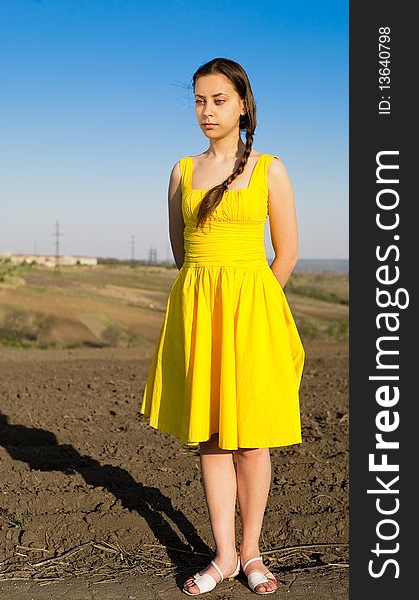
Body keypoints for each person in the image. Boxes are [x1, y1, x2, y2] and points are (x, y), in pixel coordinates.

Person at [140, 57, 305, 596]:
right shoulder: (181, 172)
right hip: (199, 316)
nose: (206, 111)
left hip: (253, 317)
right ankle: (225, 556)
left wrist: (253, 305)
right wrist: (208, 300)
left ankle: (254, 554)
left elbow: (287, 254)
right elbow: (180, 251)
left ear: (242, 105)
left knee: (254, 442)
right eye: (198, 100)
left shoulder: (270, 169)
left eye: (218, 100)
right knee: (211, 441)